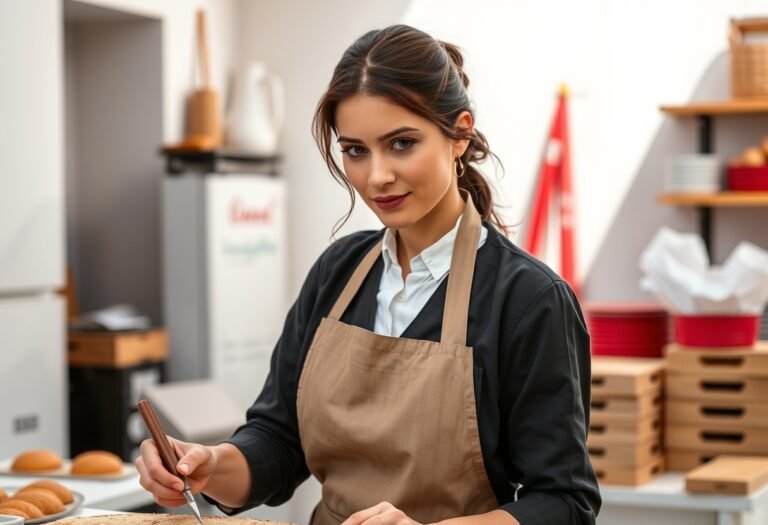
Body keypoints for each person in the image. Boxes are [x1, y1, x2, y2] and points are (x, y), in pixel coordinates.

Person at [137, 24, 600, 525]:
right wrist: (210, 465)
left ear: (459, 135)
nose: (376, 176)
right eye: (355, 150)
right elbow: (278, 439)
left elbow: (564, 504)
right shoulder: (337, 274)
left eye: (401, 144)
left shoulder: (529, 299)